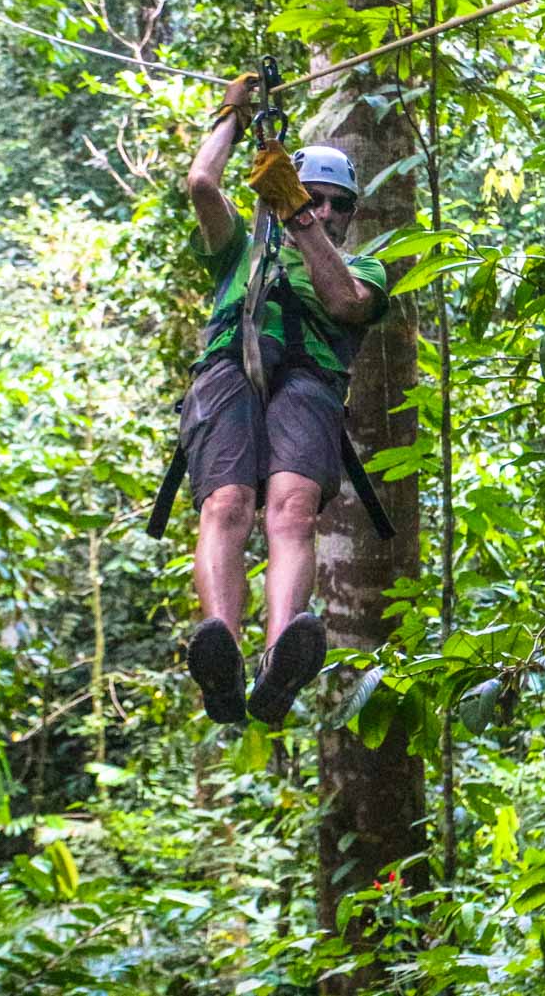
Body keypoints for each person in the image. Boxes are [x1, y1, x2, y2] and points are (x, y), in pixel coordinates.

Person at [178, 73, 387, 726]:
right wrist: (232, 119)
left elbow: (344, 303)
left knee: (292, 511)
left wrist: (297, 218)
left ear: (349, 215)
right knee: (227, 501)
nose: (323, 211)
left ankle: (277, 662)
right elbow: (201, 185)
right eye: (312, 199)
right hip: (226, 370)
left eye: (335, 205)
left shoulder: (367, 270)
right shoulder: (238, 248)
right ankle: (222, 652)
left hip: (308, 380)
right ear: (277, 200)